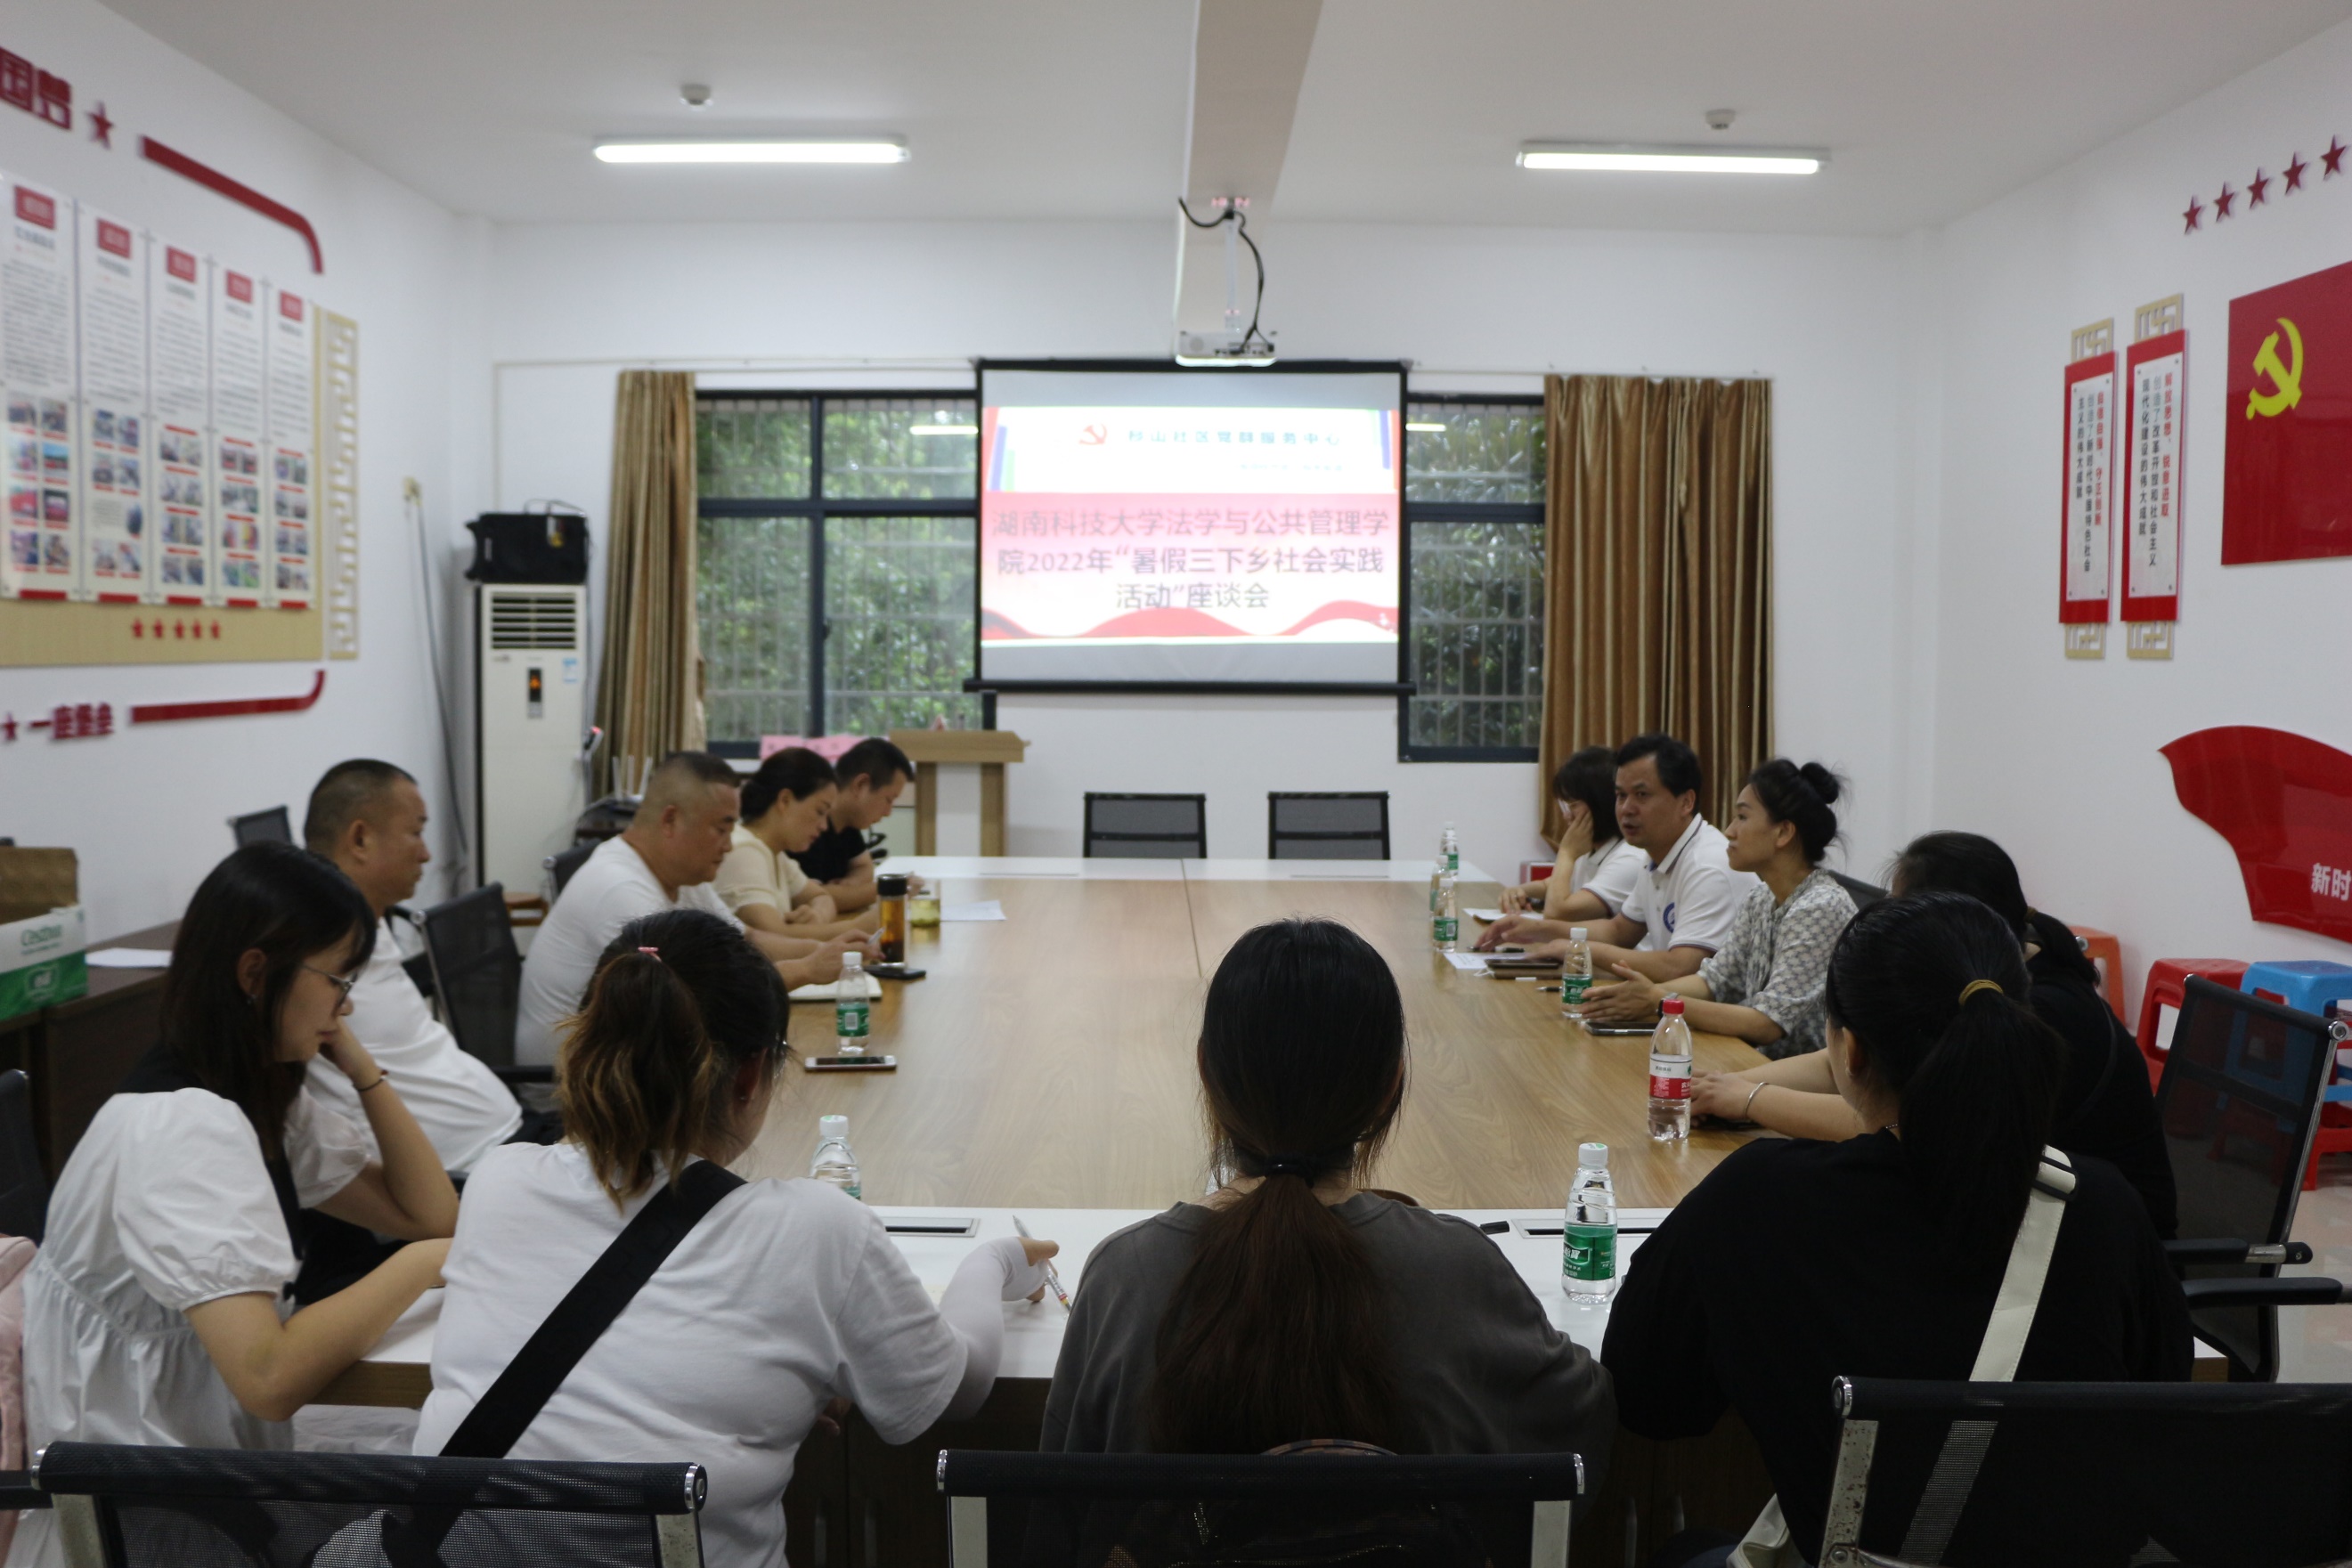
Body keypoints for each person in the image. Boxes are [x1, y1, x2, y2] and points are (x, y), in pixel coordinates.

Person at [418, 909, 1055, 1568]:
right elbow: (960, 1389)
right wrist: (994, 1262)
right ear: (751, 1076)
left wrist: (772, 1382)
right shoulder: (815, 1228)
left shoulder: (498, 1181)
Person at [1604, 893, 2190, 1568]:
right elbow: (2162, 1403)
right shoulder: (2100, 1204)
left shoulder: (1756, 1198)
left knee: (1689, 1549)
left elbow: (1648, 1401)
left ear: (1849, 1051)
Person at [1038, 919, 1612, 1503]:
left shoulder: (1125, 1275)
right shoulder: (1455, 1267)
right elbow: (1580, 1423)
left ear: (1206, 1071)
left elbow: (1061, 1512)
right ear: (1390, 1085)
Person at [15, 844, 457, 1565]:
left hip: (209, 1480)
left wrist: (360, 1065)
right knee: (451, 1511)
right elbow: (268, 1377)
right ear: (256, 973)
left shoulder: (253, 1095)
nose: (345, 1005)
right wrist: (423, 1264)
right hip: (144, 1513)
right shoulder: (183, 1125)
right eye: (337, 980)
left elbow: (428, 1214)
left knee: (435, 1501)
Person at [1688, 832, 2177, 1238]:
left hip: (2087, 1245)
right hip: (2014, 1217)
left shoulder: (2020, 1011)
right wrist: (1728, 1087)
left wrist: (1751, 1099)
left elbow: (1903, 1123)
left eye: (1900, 912)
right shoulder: (1983, 984)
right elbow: (1846, 1062)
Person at [517, 751, 873, 1065]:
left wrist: (825, 951)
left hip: (635, 1065)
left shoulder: (684, 875)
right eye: (721, 829)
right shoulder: (621, 890)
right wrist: (807, 969)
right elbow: (693, 1003)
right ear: (670, 820)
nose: (729, 846)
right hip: (579, 1094)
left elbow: (748, 939)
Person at [304, 759, 552, 1166]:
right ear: (360, 839)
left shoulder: (368, 919)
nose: (426, 854)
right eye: (416, 832)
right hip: (476, 1168)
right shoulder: (317, 950)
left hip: (512, 1136)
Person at [1575, 760, 1856, 1055]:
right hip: (1758, 1059)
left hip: (1805, 1075)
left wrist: (1657, 1000)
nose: (1729, 831)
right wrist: (1638, 994)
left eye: (1742, 817)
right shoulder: (1761, 898)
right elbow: (1714, 981)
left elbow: (1767, 1023)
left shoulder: (1820, 907)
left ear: (1783, 833)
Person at [1481, 734, 1755, 981]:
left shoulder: (1708, 865)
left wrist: (1577, 949)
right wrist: (1535, 929)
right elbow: (1618, 932)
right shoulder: (1655, 856)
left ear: (1686, 802)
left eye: (1642, 795)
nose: (1626, 809)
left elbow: (1680, 967)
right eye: (1621, 796)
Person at [714, 747, 879, 941]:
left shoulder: (774, 853)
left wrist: (817, 915)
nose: (824, 826)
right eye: (820, 811)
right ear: (785, 800)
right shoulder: (743, 851)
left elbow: (822, 897)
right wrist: (857, 927)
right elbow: (773, 937)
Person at [1497, 745, 1647, 922]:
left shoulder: (1630, 858)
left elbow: (1557, 913)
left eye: (1573, 805)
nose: (1566, 815)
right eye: (1564, 805)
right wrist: (1518, 890)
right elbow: (1550, 885)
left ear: (1602, 803)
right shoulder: (1592, 848)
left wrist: (1566, 853)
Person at [789, 736, 914, 914]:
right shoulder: (812, 825)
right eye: (888, 799)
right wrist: (892, 887)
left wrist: (851, 885)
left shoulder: (848, 824)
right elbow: (813, 897)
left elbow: (864, 867)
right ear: (861, 785)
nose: (888, 812)